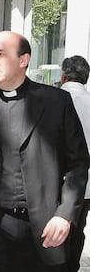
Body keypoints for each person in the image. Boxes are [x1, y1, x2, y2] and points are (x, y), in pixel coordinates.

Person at [0, 31, 89, 272]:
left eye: (1, 54)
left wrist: (65, 214)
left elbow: (78, 164)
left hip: (44, 228)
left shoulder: (56, 102)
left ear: (24, 60)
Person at [60, 55, 90, 272]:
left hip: (55, 180)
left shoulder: (51, 100)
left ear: (63, 75)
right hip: (85, 184)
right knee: (77, 227)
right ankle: (72, 265)